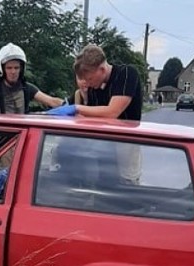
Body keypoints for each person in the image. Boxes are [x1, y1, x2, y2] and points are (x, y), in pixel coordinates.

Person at [46, 44, 143, 184]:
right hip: (102, 148)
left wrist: (77, 108)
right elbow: (89, 118)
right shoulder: (93, 88)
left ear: (102, 69)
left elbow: (112, 112)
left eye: (90, 79)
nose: (88, 84)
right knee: (101, 187)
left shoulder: (126, 74)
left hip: (125, 145)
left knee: (126, 188)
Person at [0, 43, 64, 115]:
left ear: (21, 69)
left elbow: (51, 101)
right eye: (9, 68)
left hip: (20, 140)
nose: (13, 72)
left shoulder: (27, 88)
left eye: (16, 68)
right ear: (2, 69)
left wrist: (74, 106)